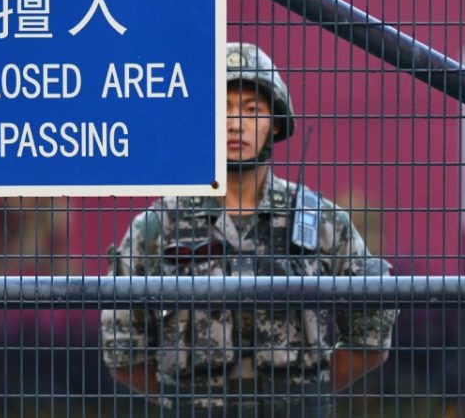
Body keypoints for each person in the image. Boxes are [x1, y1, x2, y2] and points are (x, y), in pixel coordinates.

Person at [100, 42, 399, 416]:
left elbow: (371, 334)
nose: (236, 124)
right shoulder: (159, 227)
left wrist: (306, 393)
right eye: (222, 109)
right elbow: (123, 350)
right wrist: (188, 399)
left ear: (274, 122)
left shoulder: (320, 221)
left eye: (251, 110)